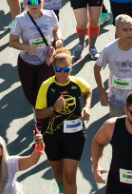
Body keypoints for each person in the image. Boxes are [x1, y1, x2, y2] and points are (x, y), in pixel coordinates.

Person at [35, 48, 92, 194]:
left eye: (66, 69)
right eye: (59, 69)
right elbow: (39, 114)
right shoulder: (47, 86)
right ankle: (61, 187)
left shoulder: (77, 83)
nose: (62, 72)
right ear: (54, 67)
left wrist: (87, 107)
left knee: (70, 175)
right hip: (52, 135)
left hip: (75, 134)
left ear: (71, 68)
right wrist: (54, 108)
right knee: (59, 172)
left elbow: (88, 91)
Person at [10, 0, 63, 104]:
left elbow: (56, 29)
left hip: (46, 61)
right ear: (25, 3)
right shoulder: (18, 20)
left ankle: (42, 113)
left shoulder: (51, 15)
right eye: (30, 2)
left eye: (37, 1)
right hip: (26, 62)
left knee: (44, 89)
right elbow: (12, 41)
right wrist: (26, 47)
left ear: (42, 2)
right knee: (30, 92)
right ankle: (36, 110)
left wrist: (58, 38)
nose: (34, 5)